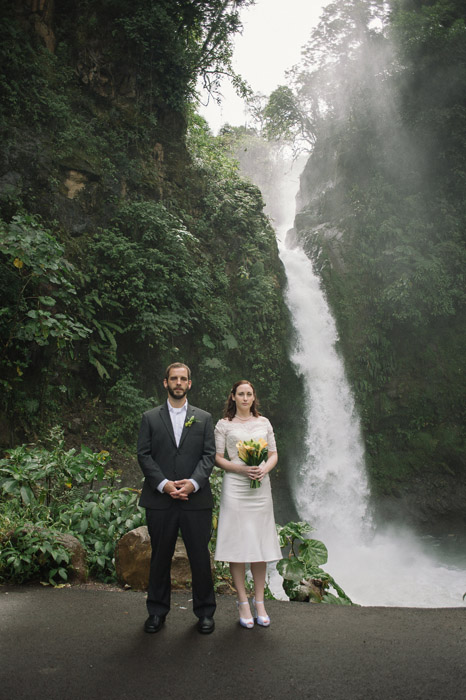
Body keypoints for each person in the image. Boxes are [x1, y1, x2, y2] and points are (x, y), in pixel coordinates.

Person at [137, 362, 216, 634]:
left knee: (199, 558)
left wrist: (193, 483)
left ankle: (205, 613)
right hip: (161, 501)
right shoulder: (150, 417)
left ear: (190, 384)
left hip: (196, 501)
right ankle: (157, 612)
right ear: (165, 383)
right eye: (174, 378)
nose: (179, 383)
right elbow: (144, 455)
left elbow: (209, 455)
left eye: (183, 379)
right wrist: (164, 485)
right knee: (160, 557)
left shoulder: (204, 418)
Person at [214, 380, 282, 628]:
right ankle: (243, 601)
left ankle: (260, 602)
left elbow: (274, 453)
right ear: (232, 397)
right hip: (236, 487)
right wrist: (242, 469)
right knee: (238, 543)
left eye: (249, 394)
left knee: (259, 544)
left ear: (254, 397)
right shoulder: (224, 425)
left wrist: (263, 468)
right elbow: (217, 458)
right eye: (240, 394)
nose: (245, 398)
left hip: (260, 487)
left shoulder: (263, 423)